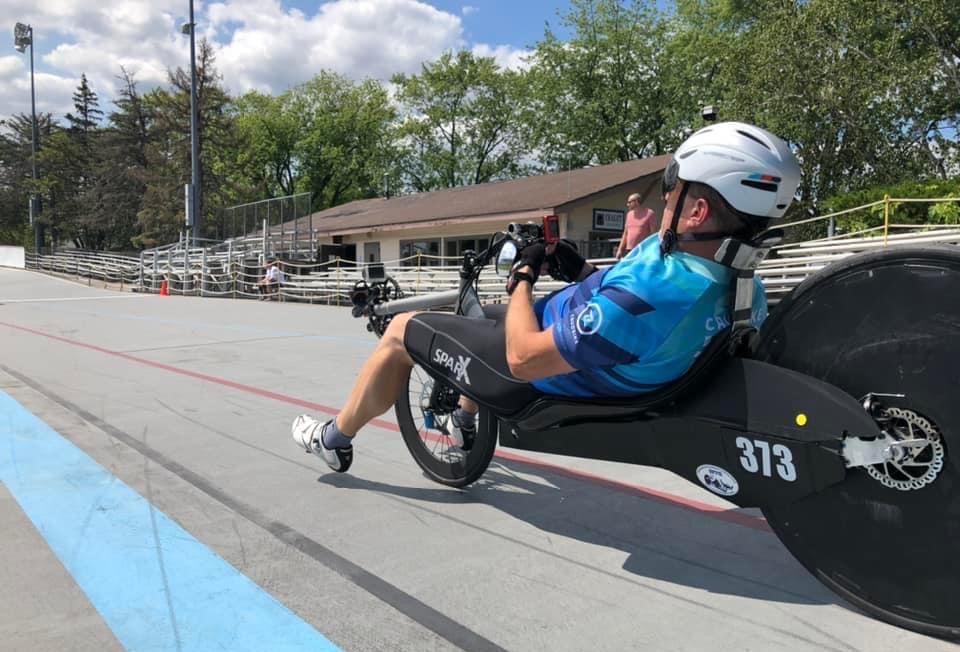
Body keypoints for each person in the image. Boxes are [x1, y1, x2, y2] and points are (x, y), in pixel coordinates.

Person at [291, 122, 801, 474]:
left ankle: (334, 440)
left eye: (673, 185)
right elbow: (618, 301)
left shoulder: (662, 294)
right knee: (472, 318)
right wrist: (576, 268)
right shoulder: (731, 281)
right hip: (581, 341)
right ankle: (465, 418)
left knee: (404, 330)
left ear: (697, 211)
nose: (664, 195)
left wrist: (522, 275)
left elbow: (522, 357)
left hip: (540, 364)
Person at [615, 193, 656, 259]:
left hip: (642, 250)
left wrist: (653, 250)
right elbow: (625, 234)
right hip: (629, 250)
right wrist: (620, 250)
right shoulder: (629, 215)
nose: (627, 204)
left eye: (629, 202)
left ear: (636, 202)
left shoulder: (649, 213)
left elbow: (653, 234)